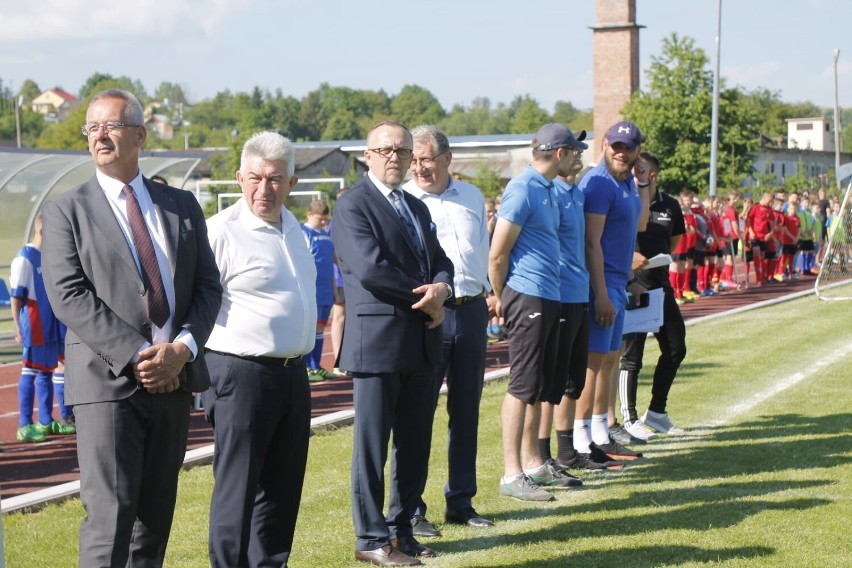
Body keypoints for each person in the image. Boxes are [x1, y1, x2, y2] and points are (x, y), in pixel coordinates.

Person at [41, 88, 222, 567]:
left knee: (154, 521)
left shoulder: (181, 205)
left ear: (140, 135)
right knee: (110, 519)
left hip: (174, 381)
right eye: (92, 127)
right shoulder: (66, 211)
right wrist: (141, 356)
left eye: (112, 126)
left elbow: (208, 288)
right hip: (108, 384)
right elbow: (69, 295)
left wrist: (180, 350)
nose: (100, 135)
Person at [331, 120, 454, 566]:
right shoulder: (352, 206)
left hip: (421, 342)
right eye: (385, 150)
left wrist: (442, 288)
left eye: (402, 152)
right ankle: (370, 539)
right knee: (372, 447)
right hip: (378, 343)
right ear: (367, 155)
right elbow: (370, 269)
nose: (394, 159)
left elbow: (440, 260)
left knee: (415, 442)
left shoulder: (416, 207)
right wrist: (427, 299)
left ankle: (402, 530)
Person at [203, 131, 316, 567]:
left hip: (292, 373)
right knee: (237, 491)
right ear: (239, 178)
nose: (263, 189)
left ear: (291, 182)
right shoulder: (220, 233)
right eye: (254, 178)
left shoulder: (296, 230)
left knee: (282, 490)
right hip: (240, 374)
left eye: (274, 179)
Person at [402, 125, 494, 533]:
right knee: (416, 413)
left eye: (427, 159)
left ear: (447, 159)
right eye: (414, 160)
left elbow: (482, 251)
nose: (419, 167)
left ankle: (461, 500)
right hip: (427, 317)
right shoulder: (404, 200)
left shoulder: (472, 196)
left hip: (472, 311)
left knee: (466, 410)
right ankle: (411, 509)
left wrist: (492, 292)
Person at [489, 122, 584, 501]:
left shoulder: (545, 189)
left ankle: (532, 463)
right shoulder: (524, 188)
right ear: (559, 154)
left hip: (547, 295)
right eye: (575, 151)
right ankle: (512, 474)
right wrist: (503, 298)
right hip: (526, 296)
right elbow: (497, 253)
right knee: (521, 386)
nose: (578, 156)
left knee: (537, 386)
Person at [574, 120, 649, 466]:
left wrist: (644, 181)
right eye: (615, 146)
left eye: (628, 147)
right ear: (604, 144)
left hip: (617, 282)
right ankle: (581, 438)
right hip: (601, 285)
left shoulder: (626, 182)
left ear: (637, 151)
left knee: (609, 360)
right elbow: (591, 241)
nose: (620, 152)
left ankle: (601, 434)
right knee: (593, 363)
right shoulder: (600, 184)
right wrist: (601, 292)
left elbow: (640, 224)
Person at [535, 129, 597, 473]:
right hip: (557, 296)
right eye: (574, 149)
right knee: (551, 383)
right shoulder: (550, 193)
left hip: (578, 294)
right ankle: (543, 455)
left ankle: (566, 452)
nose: (579, 154)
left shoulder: (575, 193)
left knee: (573, 380)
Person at [618, 152, 687, 439]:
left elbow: (673, 240)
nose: (636, 175)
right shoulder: (624, 202)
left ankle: (657, 412)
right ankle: (629, 418)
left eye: (642, 171)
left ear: (653, 175)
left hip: (661, 285)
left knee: (675, 348)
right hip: (631, 285)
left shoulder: (670, 205)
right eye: (634, 171)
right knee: (631, 357)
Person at [10, 213, 76, 443]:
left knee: (47, 371)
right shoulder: (25, 257)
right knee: (29, 370)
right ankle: (24, 424)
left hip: (51, 323)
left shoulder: (47, 255)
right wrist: (19, 327)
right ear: (42, 231)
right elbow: (17, 297)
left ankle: (46, 421)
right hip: (34, 323)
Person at [301, 199, 338, 381]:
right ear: (309, 215)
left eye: (326, 219)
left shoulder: (327, 237)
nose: (324, 223)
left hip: (325, 292)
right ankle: (307, 367)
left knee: (320, 328)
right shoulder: (303, 233)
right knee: (308, 329)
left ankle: (317, 366)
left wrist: (335, 291)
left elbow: (332, 265)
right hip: (310, 291)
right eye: (320, 219)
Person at [330, 187, 349, 373]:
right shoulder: (333, 225)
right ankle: (338, 360)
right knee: (340, 317)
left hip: (356, 279)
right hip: (341, 279)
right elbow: (333, 253)